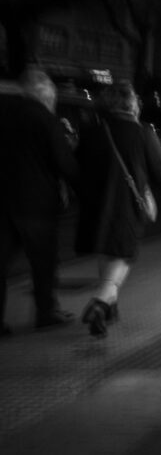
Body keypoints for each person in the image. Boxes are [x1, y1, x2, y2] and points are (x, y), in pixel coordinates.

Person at [75, 80, 161, 338]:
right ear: (132, 104)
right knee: (123, 256)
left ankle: (110, 309)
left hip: (95, 208)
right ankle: (100, 303)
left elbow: (77, 169)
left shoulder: (92, 132)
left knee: (107, 254)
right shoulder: (142, 133)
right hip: (126, 209)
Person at [0, 68, 79, 335]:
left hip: (4, 202)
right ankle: (46, 313)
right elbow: (64, 164)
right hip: (37, 205)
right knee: (43, 261)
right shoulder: (46, 120)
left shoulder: (4, 114)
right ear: (46, 96)